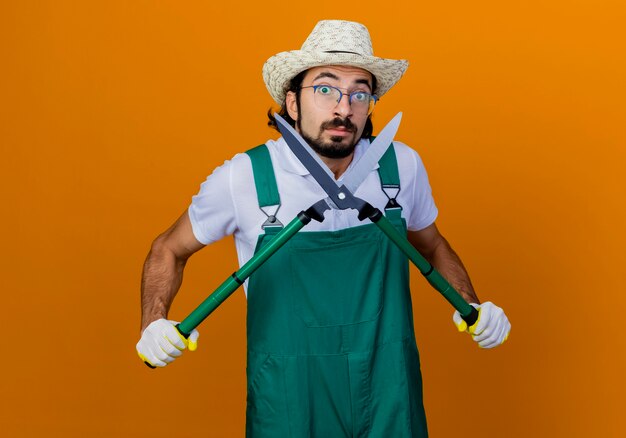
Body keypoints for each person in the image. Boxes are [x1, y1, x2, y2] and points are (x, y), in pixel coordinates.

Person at [136, 19, 511, 437]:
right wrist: (154, 322)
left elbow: (433, 245)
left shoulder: (399, 167)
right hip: (289, 399)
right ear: (292, 103)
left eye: (359, 93)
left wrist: (472, 305)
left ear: (370, 105)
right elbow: (168, 249)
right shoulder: (246, 177)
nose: (343, 107)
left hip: (388, 392)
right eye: (325, 88)